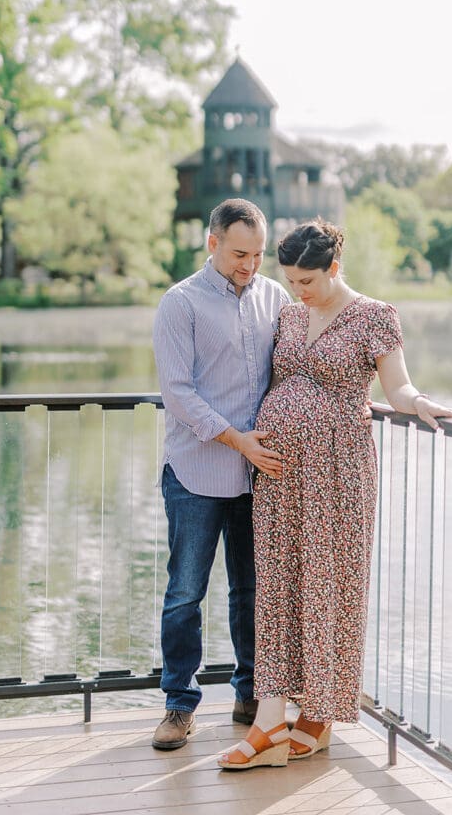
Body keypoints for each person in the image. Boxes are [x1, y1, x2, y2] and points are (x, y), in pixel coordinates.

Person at [218, 218, 452, 770]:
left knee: (328, 588)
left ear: (333, 267)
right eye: (290, 281)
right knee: (279, 592)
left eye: (307, 281)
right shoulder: (288, 314)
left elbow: (396, 385)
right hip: (280, 477)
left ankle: (314, 717)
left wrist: (417, 401)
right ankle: (274, 720)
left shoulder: (376, 315)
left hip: (338, 476)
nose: (297, 292)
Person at [151, 198, 291, 750]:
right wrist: (237, 440)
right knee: (186, 593)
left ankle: (250, 695)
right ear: (212, 244)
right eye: (239, 253)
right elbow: (178, 393)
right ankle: (178, 706)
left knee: (251, 591)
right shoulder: (179, 303)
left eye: (258, 255)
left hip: (258, 477)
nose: (249, 265)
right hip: (196, 470)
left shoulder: (276, 298)